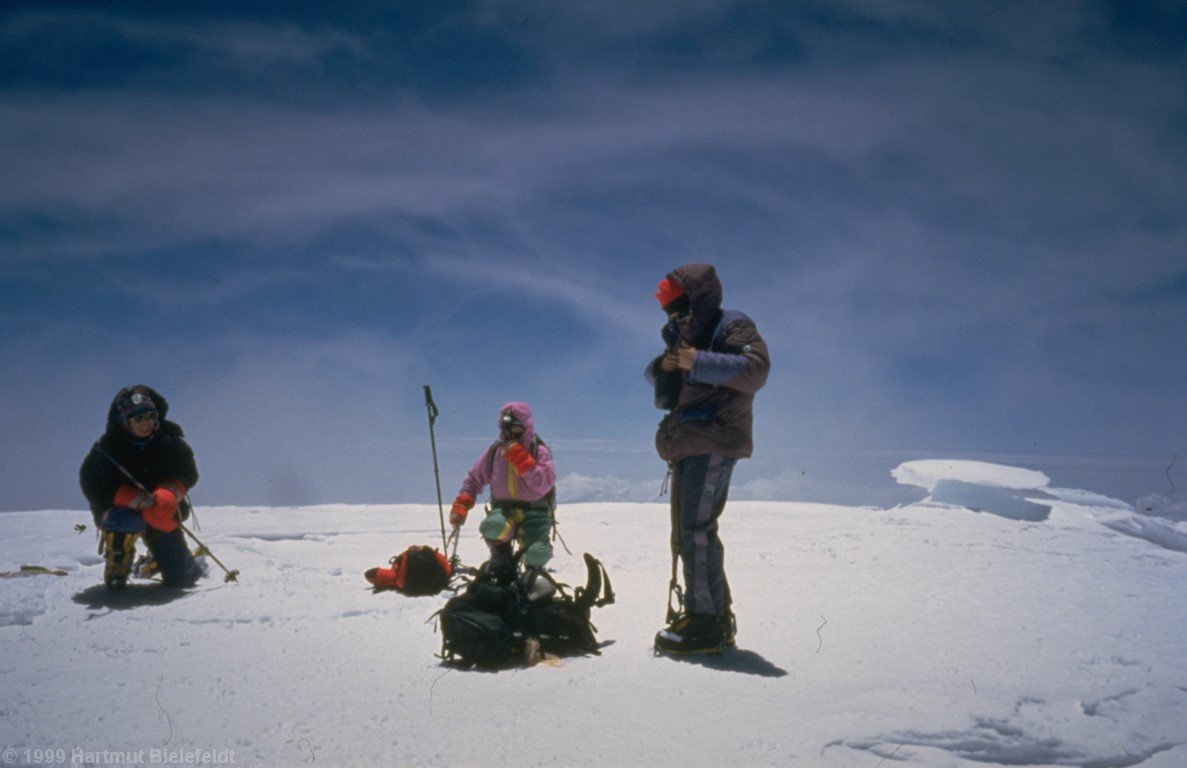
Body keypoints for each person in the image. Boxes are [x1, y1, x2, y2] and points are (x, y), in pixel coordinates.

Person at [645, 263, 770, 654]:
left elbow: (756, 369)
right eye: (670, 312)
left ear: (696, 300)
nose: (675, 318)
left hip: (713, 439)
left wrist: (694, 362)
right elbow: (663, 382)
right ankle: (707, 616)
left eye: (680, 308)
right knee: (688, 533)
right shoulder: (687, 336)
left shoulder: (731, 323)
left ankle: (709, 622)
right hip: (691, 443)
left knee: (696, 530)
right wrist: (662, 367)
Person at [79, 385, 204, 590]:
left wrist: (170, 491)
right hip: (122, 512)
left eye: (150, 415)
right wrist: (126, 497)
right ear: (124, 420)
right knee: (126, 519)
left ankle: (163, 562)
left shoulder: (171, 441)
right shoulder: (107, 448)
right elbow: (91, 481)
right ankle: (118, 566)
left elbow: (189, 472)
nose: (146, 422)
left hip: (159, 511)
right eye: (138, 417)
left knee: (181, 582)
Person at [449, 402, 558, 589]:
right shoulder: (495, 452)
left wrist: (520, 458)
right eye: (506, 429)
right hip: (504, 510)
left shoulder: (539, 451)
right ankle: (502, 562)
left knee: (537, 553)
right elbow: (474, 479)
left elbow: (543, 483)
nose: (510, 434)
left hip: (536, 511)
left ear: (525, 428)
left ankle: (533, 571)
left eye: (516, 429)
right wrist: (462, 503)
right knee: (492, 527)